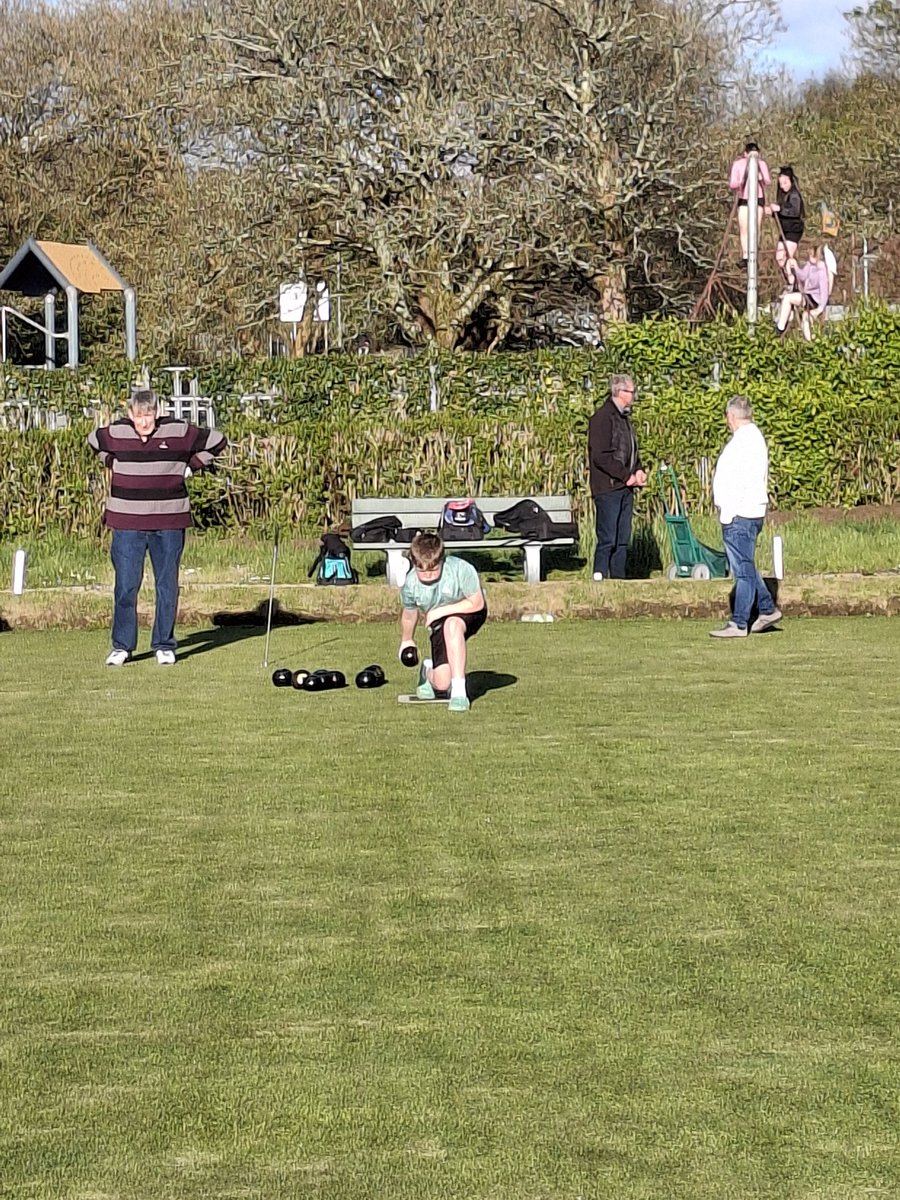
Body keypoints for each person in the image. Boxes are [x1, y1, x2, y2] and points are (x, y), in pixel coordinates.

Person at [88, 387, 226, 666]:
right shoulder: (116, 432)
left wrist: (193, 465)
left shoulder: (178, 430)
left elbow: (218, 441)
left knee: (167, 585)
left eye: (149, 415)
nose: (144, 422)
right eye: (139, 416)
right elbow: (93, 441)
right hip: (126, 522)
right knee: (126, 585)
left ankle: (164, 643)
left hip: (169, 520)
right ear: (130, 415)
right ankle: (122, 646)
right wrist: (110, 460)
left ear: (157, 412)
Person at [710, 396, 781, 638]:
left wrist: (728, 513)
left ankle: (739, 622)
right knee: (745, 566)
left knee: (742, 570)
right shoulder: (752, 438)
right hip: (745, 512)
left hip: (740, 514)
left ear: (731, 417)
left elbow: (738, 481)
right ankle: (767, 608)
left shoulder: (744, 442)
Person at [398, 532, 486, 713]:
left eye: (433, 569)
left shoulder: (461, 569)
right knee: (441, 683)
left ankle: (459, 692)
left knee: (452, 624)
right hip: (438, 621)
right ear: (414, 564)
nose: (428, 575)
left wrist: (440, 611)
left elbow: (477, 602)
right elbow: (409, 614)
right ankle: (427, 670)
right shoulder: (410, 584)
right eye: (422, 570)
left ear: (442, 560)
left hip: (469, 610)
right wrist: (407, 640)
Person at [587, 374, 647, 581]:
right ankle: (600, 575)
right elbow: (600, 456)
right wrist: (625, 476)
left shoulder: (625, 419)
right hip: (608, 487)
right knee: (608, 538)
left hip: (624, 487)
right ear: (620, 393)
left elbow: (631, 451)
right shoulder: (602, 418)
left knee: (622, 538)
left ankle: (619, 578)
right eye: (631, 392)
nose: (634, 396)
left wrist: (638, 469)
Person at [728, 141, 771, 267]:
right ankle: (746, 255)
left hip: (758, 198)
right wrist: (742, 181)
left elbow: (768, 181)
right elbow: (732, 183)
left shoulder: (762, 164)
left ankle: (754, 254)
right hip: (744, 199)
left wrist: (760, 176)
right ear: (745, 153)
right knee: (744, 228)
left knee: (755, 227)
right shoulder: (738, 164)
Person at [775, 244, 831, 341]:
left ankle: (780, 328)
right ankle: (810, 341)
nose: (809, 257)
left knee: (788, 298)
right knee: (805, 318)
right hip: (808, 296)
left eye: (811, 255)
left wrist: (820, 308)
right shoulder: (810, 265)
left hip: (814, 299)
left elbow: (824, 290)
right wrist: (795, 267)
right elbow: (803, 276)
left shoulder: (821, 268)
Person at [766, 165, 805, 259]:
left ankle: (791, 273)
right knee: (779, 257)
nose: (783, 186)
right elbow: (782, 214)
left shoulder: (794, 195)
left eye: (785, 183)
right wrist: (772, 212)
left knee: (786, 257)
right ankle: (788, 273)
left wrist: (779, 209)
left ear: (791, 181)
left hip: (793, 229)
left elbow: (794, 211)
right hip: (784, 230)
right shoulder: (782, 195)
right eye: (781, 184)